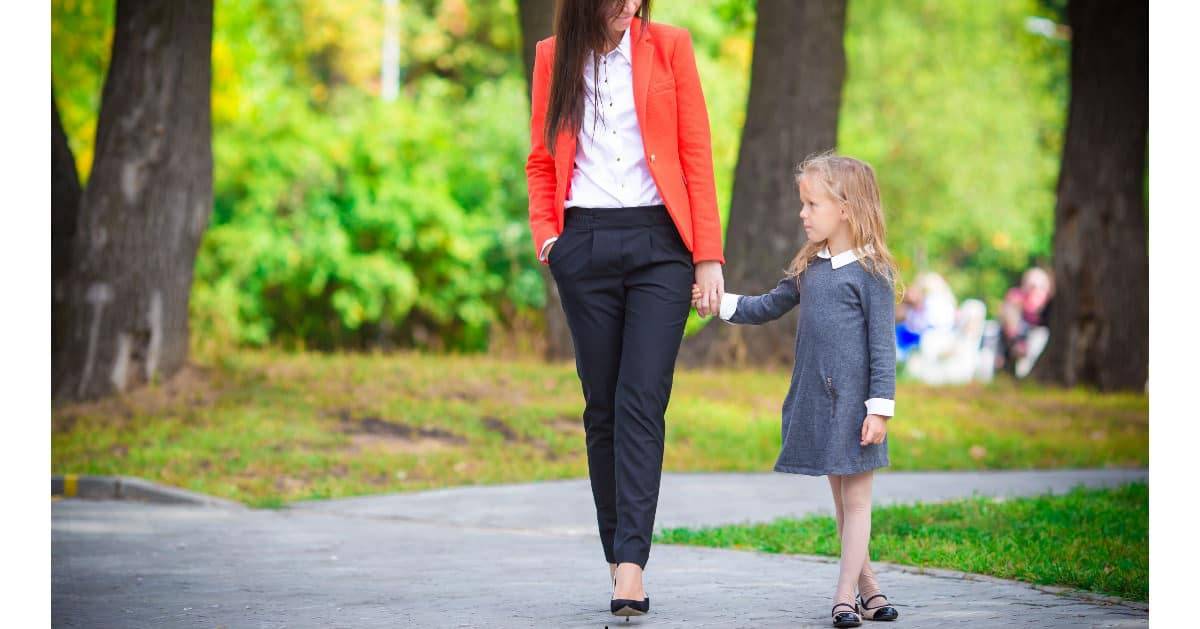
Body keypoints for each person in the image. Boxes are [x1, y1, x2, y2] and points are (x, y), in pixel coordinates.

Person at [525, 0, 726, 619]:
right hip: (582, 242)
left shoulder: (669, 45)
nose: (629, 6)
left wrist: (707, 256)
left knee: (642, 399)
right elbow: (540, 157)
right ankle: (618, 556)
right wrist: (549, 239)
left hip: (660, 247)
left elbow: (695, 151)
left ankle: (632, 568)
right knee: (603, 405)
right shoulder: (552, 57)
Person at [696, 153, 901, 627]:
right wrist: (717, 303)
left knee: (857, 502)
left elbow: (882, 351)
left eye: (812, 204)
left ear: (846, 207)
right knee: (841, 504)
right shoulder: (810, 269)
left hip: (858, 408)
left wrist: (880, 409)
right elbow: (766, 306)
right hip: (818, 401)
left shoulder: (873, 275)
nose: (802, 214)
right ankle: (869, 588)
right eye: (802, 204)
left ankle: (844, 595)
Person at [999, 267, 1053, 378]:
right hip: (1016, 342)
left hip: (1036, 342)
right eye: (1031, 286)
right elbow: (1010, 324)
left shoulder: (1049, 303)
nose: (1035, 290)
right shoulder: (1016, 298)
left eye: (1040, 287)